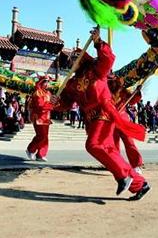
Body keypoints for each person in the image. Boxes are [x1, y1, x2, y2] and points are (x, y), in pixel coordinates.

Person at [55, 28, 150, 200]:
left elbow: (109, 59)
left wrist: (98, 42)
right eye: (70, 59)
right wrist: (55, 104)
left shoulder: (96, 70)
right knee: (108, 150)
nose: (71, 61)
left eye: (75, 57)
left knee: (94, 145)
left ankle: (127, 174)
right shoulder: (70, 84)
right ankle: (139, 185)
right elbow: (66, 103)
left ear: (83, 57)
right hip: (92, 120)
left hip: (105, 111)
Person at [108, 77, 144, 173]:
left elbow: (132, 100)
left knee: (129, 142)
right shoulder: (105, 90)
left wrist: (137, 92)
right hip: (110, 119)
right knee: (113, 144)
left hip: (122, 119)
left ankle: (136, 165)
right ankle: (116, 164)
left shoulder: (123, 90)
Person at [26, 75, 55, 162]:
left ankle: (41, 154)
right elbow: (40, 106)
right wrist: (51, 106)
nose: (47, 84)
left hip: (46, 118)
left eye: (48, 82)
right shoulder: (37, 93)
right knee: (41, 136)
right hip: (38, 117)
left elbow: (52, 103)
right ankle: (30, 150)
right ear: (41, 83)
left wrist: (56, 103)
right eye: (45, 82)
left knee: (45, 137)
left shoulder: (48, 93)